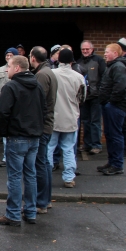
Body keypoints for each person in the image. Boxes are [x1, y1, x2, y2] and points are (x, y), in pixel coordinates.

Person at [0, 55, 46, 226]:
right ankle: (30, 212)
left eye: (9, 66)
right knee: (30, 175)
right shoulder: (37, 86)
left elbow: (2, 112)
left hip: (17, 137)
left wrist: (4, 133)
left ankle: (13, 214)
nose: (6, 69)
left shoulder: (11, 87)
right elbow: (44, 109)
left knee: (15, 177)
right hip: (34, 137)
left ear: (17, 68)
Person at [50, 49, 87, 188]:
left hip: (53, 117)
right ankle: (69, 177)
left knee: (49, 148)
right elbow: (82, 98)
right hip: (71, 117)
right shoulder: (79, 77)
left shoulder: (52, 74)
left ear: (58, 60)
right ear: (72, 61)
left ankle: (46, 176)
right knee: (69, 149)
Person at [30, 46, 56, 214]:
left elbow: (37, 101)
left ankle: (41, 202)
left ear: (33, 58)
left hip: (42, 125)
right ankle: (46, 199)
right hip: (47, 123)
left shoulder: (41, 75)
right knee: (45, 162)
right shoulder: (49, 71)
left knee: (40, 163)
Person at [98, 43, 126, 176]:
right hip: (111, 105)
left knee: (115, 135)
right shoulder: (112, 66)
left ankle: (117, 164)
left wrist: (110, 102)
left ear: (115, 53)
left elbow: (120, 87)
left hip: (115, 106)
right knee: (110, 135)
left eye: (107, 52)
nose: (105, 54)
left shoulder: (118, 67)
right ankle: (112, 162)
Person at [0, 48, 19, 167]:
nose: (8, 57)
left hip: (15, 106)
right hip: (2, 104)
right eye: (7, 55)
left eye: (11, 55)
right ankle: (6, 157)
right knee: (5, 133)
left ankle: (14, 157)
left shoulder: (20, 71)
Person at [78, 41, 105, 154]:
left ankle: (96, 145)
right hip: (84, 97)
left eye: (87, 49)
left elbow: (104, 76)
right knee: (85, 121)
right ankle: (87, 144)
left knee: (95, 121)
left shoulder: (98, 60)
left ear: (92, 49)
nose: (85, 51)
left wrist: (100, 91)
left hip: (96, 96)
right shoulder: (78, 62)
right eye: (83, 49)